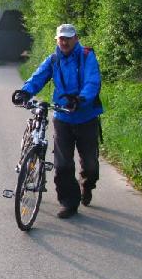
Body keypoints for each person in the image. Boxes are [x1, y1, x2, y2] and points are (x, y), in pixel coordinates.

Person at [12, 23, 103, 219]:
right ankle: (69, 203)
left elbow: (92, 82)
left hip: (86, 116)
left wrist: (80, 99)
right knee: (62, 165)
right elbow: (38, 77)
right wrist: (25, 92)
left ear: (76, 39)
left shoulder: (87, 56)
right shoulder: (53, 59)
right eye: (62, 38)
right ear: (57, 40)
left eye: (68, 38)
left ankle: (87, 185)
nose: (65, 42)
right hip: (62, 117)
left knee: (90, 166)